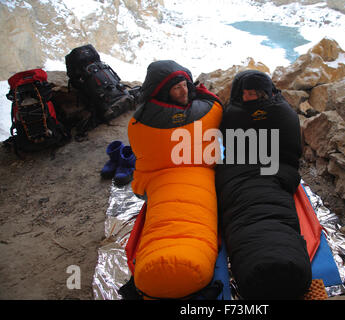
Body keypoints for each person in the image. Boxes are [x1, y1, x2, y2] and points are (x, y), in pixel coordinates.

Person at [127, 60, 224, 299]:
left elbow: (143, 157)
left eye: (185, 85)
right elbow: (217, 105)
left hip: (162, 180)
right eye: (176, 88)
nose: (183, 91)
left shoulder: (137, 123)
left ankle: (159, 268)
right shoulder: (209, 112)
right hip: (195, 175)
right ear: (162, 91)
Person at [215, 70, 312, 299]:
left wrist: (282, 172)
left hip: (272, 175)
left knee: (269, 215)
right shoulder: (240, 114)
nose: (252, 97)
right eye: (248, 93)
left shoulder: (277, 113)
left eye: (257, 93)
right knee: (245, 210)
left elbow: (289, 154)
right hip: (242, 175)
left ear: (267, 92)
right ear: (241, 92)